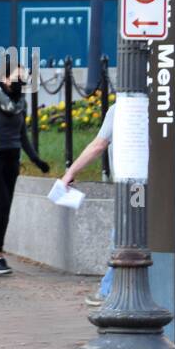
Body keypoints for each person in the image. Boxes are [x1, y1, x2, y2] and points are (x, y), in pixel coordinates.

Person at [0, 64, 49, 275]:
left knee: (5, 209)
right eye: (17, 77)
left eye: (23, 78)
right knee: (2, 205)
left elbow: (22, 135)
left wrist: (36, 160)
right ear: (4, 78)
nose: (21, 82)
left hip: (12, 161)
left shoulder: (21, 103)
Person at [61, 108, 114, 307]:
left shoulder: (120, 109)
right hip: (152, 186)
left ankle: (108, 290)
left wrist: (71, 172)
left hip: (134, 188)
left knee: (123, 237)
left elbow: (98, 145)